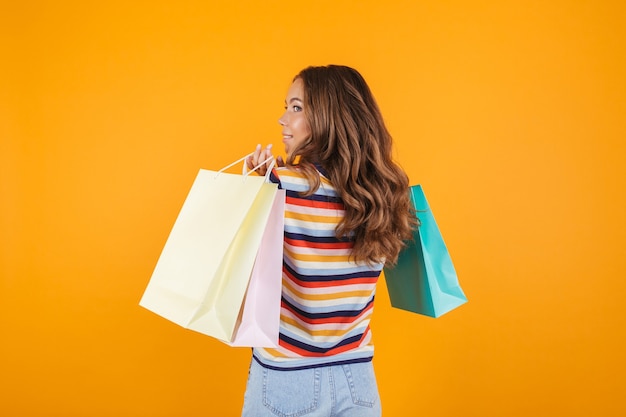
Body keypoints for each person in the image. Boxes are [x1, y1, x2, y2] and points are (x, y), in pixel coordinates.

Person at [242, 65, 417, 417]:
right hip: (358, 379)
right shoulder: (386, 193)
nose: (282, 119)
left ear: (327, 117)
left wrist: (254, 187)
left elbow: (241, 269)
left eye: (295, 108)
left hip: (286, 378)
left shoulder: (280, 185)